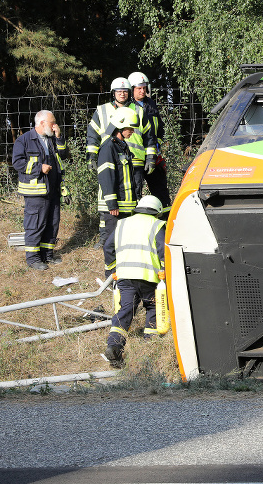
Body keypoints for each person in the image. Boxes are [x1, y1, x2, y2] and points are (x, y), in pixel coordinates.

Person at [103, 195, 166, 368]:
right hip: (148, 277)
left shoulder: (122, 223)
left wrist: (112, 269)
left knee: (125, 310)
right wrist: (164, 269)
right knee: (153, 307)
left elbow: (108, 246)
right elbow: (163, 249)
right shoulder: (157, 224)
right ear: (157, 211)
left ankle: (114, 346)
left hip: (124, 275)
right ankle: (149, 347)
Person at [11, 110, 69, 270]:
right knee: (35, 224)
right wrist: (39, 167)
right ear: (42, 123)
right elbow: (17, 163)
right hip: (35, 191)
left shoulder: (51, 139)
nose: (55, 125)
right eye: (52, 122)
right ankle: (33, 258)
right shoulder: (24, 140)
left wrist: (59, 137)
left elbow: (64, 155)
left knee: (52, 223)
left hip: (53, 189)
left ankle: (47, 255)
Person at [97, 106, 140, 277]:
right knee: (112, 243)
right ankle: (111, 275)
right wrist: (112, 203)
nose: (133, 131)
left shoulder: (122, 146)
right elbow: (106, 176)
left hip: (125, 205)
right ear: (120, 127)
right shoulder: (109, 147)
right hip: (115, 207)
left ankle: (122, 272)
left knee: (123, 241)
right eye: (130, 128)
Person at [128, 71, 170, 209]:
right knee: (135, 191)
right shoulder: (127, 106)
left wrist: (157, 147)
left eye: (144, 88)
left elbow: (159, 129)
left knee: (161, 191)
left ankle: (165, 220)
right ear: (131, 89)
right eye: (139, 88)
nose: (142, 91)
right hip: (135, 157)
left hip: (153, 155)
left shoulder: (151, 104)